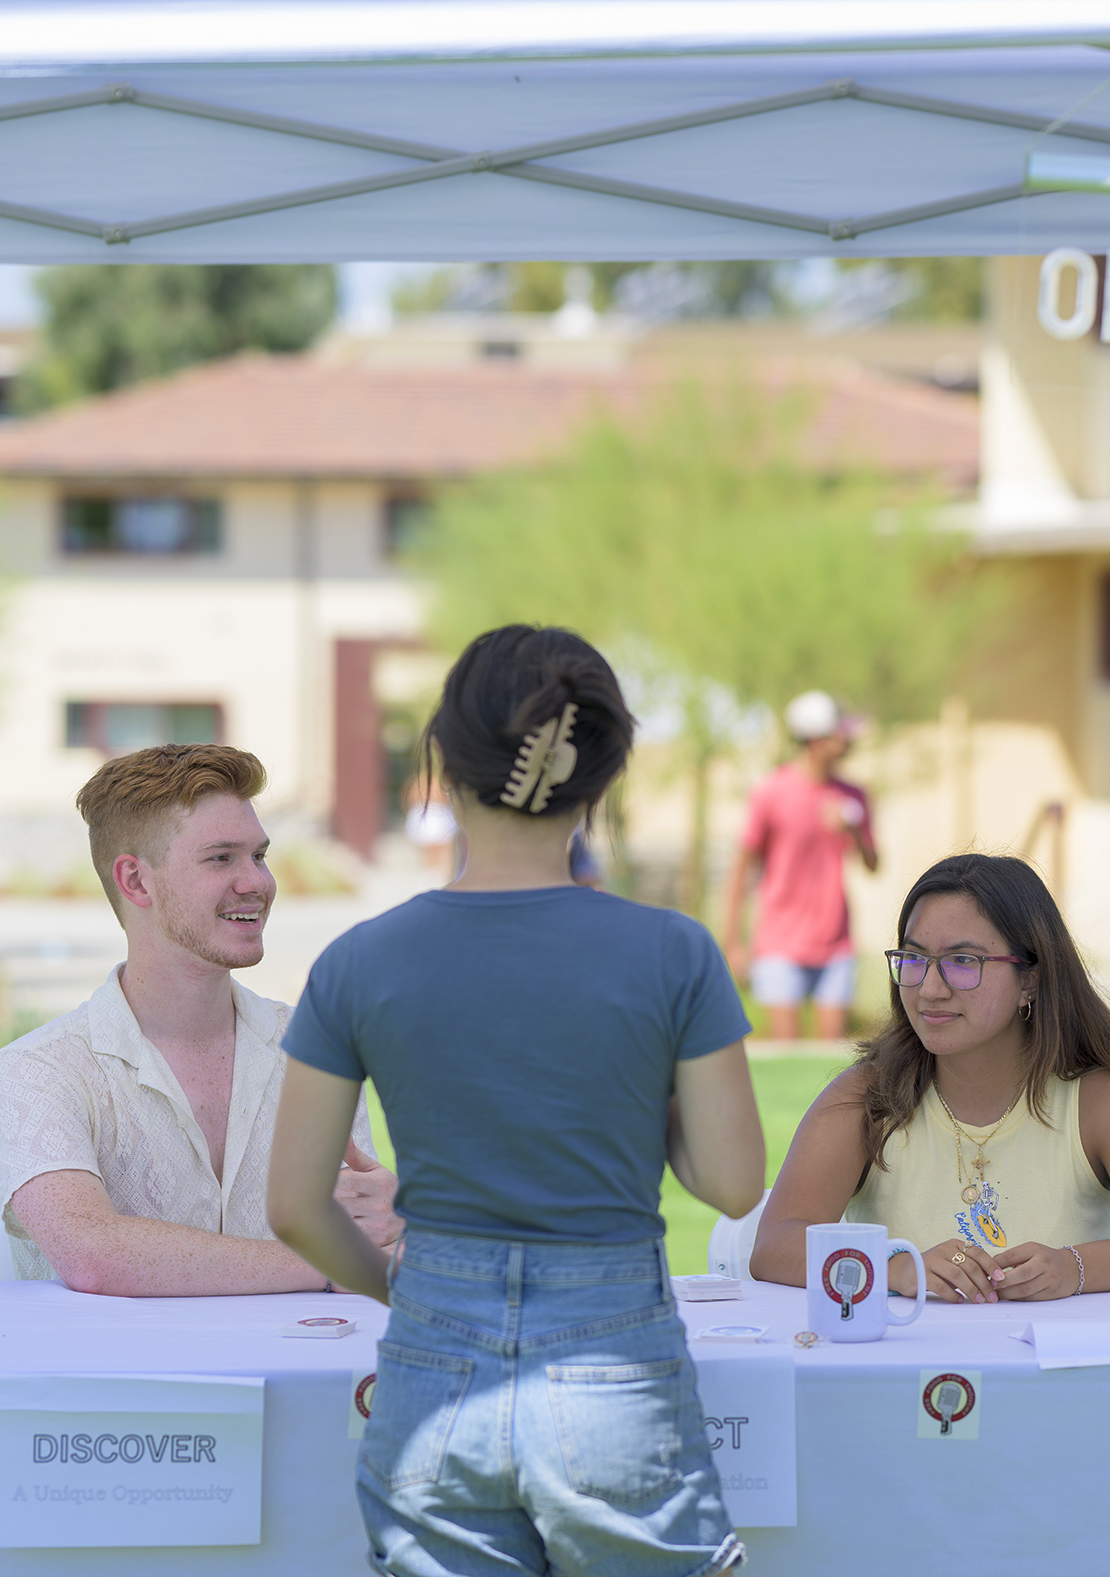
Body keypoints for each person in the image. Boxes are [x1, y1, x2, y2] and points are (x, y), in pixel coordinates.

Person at [269, 625, 765, 1577]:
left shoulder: (360, 961)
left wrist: (408, 1291)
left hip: (430, 1369)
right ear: (604, 775)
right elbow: (735, 1183)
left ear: (442, 764)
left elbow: (293, 1204)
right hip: (616, 1362)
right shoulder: (673, 953)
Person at [0, 743, 401, 1294]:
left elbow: (371, 1235)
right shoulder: (37, 1070)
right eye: (221, 858)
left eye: (260, 855)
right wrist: (333, 1264)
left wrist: (399, 1221)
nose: (258, 882)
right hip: (111, 1379)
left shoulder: (317, 1050)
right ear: (135, 881)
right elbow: (92, 1254)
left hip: (284, 1373)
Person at [750, 852, 1110, 1302]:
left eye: (964, 961)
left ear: (1030, 978)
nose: (930, 989)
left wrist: (1074, 1268)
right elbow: (775, 1244)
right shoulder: (864, 1097)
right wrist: (894, 1267)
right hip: (900, 1375)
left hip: (1050, 1381)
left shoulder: (1102, 1103)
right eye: (914, 959)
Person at [720, 688, 879, 1041]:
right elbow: (741, 870)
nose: (848, 739)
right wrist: (733, 942)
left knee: (833, 1068)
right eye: (841, 732)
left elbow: (873, 864)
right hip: (780, 944)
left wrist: (853, 829)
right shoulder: (770, 793)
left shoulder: (854, 796)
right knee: (786, 1057)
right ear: (816, 739)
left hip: (836, 943)